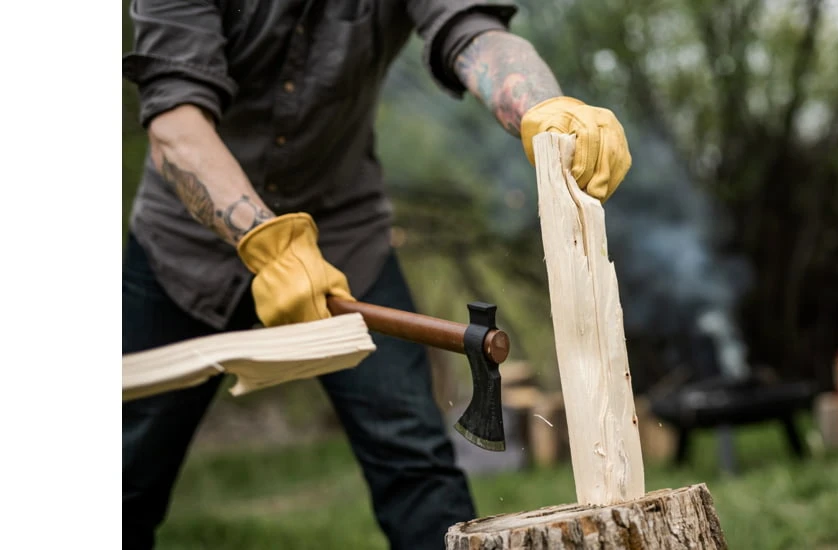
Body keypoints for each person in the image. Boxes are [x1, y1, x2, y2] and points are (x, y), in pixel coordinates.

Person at [121, 0, 632, 548]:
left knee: (416, 463)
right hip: (181, 249)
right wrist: (266, 243)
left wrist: (544, 107)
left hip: (345, 238)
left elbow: (470, 30)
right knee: (118, 481)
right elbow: (174, 117)